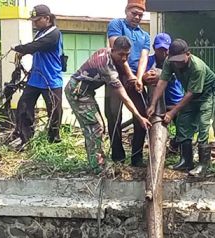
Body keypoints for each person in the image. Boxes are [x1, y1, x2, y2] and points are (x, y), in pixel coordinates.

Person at [65, 37, 151, 173]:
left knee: (97, 126)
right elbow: (123, 95)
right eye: (121, 54)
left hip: (86, 92)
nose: (124, 58)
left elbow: (123, 64)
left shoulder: (106, 52)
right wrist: (139, 117)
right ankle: (98, 167)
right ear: (113, 50)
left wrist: (130, 75)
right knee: (95, 128)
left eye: (127, 55)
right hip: (78, 93)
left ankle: (97, 162)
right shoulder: (105, 66)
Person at [147, 39, 215, 176]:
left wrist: (172, 112)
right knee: (183, 121)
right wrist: (153, 104)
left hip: (206, 93)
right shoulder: (170, 62)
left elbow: (190, 94)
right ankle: (186, 160)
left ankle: (204, 165)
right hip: (190, 92)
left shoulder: (197, 67)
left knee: (203, 125)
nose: (177, 63)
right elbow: (162, 82)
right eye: (174, 60)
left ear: (188, 54)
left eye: (180, 60)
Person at [106, 0, 151, 166]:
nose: (137, 17)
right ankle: (117, 157)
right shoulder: (116, 25)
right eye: (134, 14)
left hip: (134, 78)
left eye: (140, 15)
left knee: (142, 115)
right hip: (115, 76)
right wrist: (129, 74)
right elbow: (118, 52)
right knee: (113, 116)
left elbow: (144, 57)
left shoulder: (145, 35)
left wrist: (138, 78)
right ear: (127, 11)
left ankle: (137, 157)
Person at [12, 4, 64, 147]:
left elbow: (36, 46)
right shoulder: (40, 33)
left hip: (51, 80)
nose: (34, 23)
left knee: (54, 112)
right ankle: (25, 139)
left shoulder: (54, 34)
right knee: (24, 107)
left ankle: (54, 142)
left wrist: (19, 48)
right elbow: (35, 48)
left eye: (37, 20)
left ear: (47, 18)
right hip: (35, 79)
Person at [143, 32, 185, 151]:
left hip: (174, 100)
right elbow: (143, 78)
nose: (163, 53)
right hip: (156, 104)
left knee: (182, 128)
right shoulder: (149, 61)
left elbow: (173, 77)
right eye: (160, 49)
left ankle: (177, 146)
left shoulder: (175, 61)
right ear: (154, 48)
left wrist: (161, 77)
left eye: (166, 49)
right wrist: (144, 77)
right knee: (155, 129)